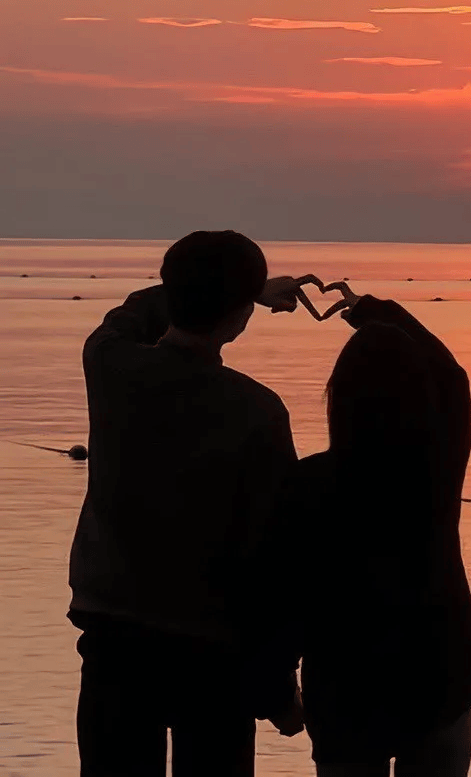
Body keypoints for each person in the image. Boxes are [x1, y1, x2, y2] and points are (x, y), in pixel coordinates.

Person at [68, 231, 315, 777]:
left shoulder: (110, 366)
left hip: (115, 645)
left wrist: (244, 290)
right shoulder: (257, 411)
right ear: (240, 317)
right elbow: (272, 561)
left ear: (169, 288)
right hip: (215, 659)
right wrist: (279, 692)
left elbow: (131, 314)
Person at [265, 283, 471, 776]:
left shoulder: (306, 483)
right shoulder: (435, 467)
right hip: (438, 671)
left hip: (345, 680)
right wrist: (371, 311)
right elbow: (453, 378)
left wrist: (276, 691)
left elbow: (284, 597)